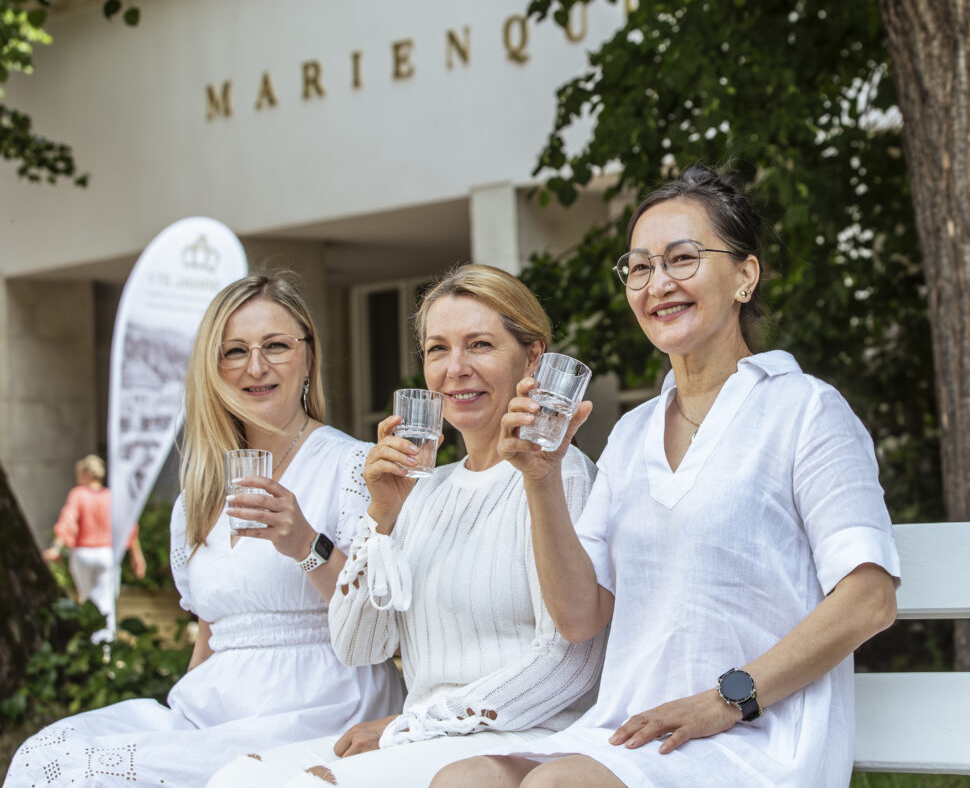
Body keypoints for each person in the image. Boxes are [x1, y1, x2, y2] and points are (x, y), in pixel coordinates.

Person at [433, 166, 901, 788]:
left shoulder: (804, 409)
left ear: (744, 275)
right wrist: (541, 479)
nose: (658, 284)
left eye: (683, 259)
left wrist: (725, 699)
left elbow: (870, 600)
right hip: (633, 734)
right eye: (640, 267)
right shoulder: (631, 434)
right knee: (467, 779)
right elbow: (579, 617)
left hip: (757, 736)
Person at [207, 264, 606, 788]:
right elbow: (360, 646)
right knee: (239, 777)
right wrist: (383, 518)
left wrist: (413, 728)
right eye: (438, 349)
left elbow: (571, 663)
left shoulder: (563, 477)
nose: (455, 368)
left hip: (521, 740)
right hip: (427, 737)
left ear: (532, 356)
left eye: (480, 345)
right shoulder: (426, 488)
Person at [6, 272, 404, 788]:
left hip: (319, 705)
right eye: (234, 351)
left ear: (308, 355)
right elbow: (211, 634)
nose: (255, 366)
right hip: (216, 708)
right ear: (212, 369)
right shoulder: (201, 490)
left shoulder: (353, 469)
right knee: (47, 757)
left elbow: (381, 630)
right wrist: (180, 720)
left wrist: (306, 545)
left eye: (276, 346)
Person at [42, 453, 147, 642]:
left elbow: (68, 521)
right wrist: (136, 556)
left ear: (86, 474)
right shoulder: (111, 496)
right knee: (107, 604)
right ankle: (105, 648)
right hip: (107, 555)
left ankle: (90, 646)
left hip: (83, 554)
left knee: (87, 601)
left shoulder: (78, 494)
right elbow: (129, 527)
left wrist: (56, 548)